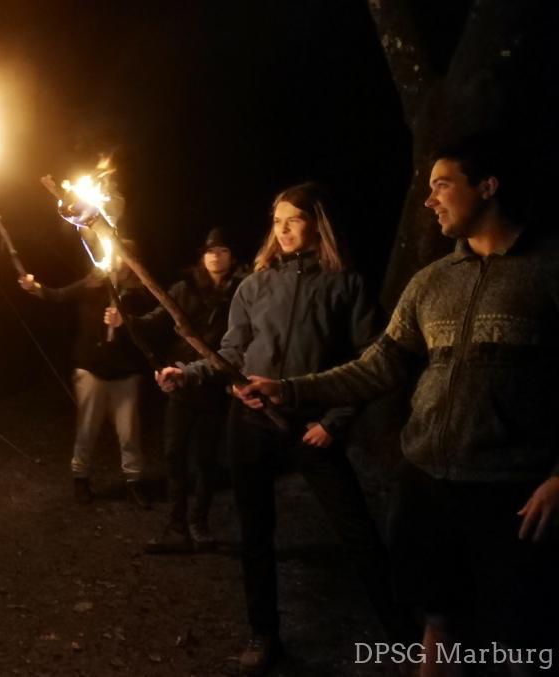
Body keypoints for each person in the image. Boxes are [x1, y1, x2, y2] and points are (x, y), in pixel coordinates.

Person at [242, 136, 559, 667]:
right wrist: (290, 388)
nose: (429, 200)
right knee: (438, 618)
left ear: (487, 186)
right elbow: (378, 365)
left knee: (514, 633)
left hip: (511, 491)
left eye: (442, 185)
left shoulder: (546, 271)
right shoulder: (431, 282)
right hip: (428, 482)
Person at [157, 182, 405, 674]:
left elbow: (369, 361)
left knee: (358, 534)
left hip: (311, 424)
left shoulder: (346, 284)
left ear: (318, 223)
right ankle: (264, 633)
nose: (283, 229)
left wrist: (335, 422)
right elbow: (231, 353)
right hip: (251, 423)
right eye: (277, 221)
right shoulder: (255, 285)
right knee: (256, 533)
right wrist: (188, 374)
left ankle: (404, 639)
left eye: (294, 219)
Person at [118, 227, 246, 552]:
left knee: (205, 459)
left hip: (215, 386)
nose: (216, 256)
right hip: (180, 382)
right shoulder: (183, 288)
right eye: (210, 251)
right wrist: (126, 319)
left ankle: (198, 523)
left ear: (232, 257)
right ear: (202, 257)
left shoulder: (242, 291)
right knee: (174, 456)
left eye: (223, 251)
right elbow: (153, 320)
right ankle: (177, 525)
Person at [20, 253, 154, 506]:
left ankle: (134, 481)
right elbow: (57, 295)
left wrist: (125, 320)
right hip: (92, 368)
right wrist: (34, 287)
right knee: (87, 428)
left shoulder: (141, 293)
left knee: (129, 432)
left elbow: (152, 325)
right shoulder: (91, 285)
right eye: (113, 255)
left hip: (126, 372)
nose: (117, 260)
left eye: (122, 256)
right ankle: (80, 478)